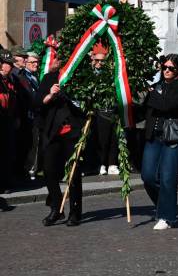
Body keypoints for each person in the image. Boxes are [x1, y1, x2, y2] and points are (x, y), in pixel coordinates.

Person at [34, 53, 87, 226]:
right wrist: (50, 95)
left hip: (72, 133)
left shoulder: (77, 80)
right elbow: (38, 103)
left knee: (73, 174)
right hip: (52, 133)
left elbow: (84, 105)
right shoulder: (49, 78)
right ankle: (56, 208)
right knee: (49, 171)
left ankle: (75, 212)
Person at [141, 54, 178, 230]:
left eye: (171, 68)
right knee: (147, 176)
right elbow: (145, 109)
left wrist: (152, 93)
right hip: (153, 136)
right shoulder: (156, 87)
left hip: (173, 136)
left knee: (168, 177)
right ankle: (163, 205)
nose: (167, 71)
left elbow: (168, 105)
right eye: (165, 67)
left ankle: (167, 216)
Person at [89, 46, 120, 175]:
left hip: (111, 110)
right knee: (102, 139)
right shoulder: (89, 74)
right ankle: (101, 163)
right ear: (92, 59)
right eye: (97, 60)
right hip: (99, 111)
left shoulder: (110, 74)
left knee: (114, 138)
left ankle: (112, 163)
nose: (99, 63)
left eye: (102, 61)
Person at [15, 51, 41, 181]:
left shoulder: (35, 77)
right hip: (27, 115)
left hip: (36, 115)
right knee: (28, 143)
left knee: (34, 143)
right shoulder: (22, 76)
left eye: (37, 62)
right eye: (32, 62)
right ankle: (27, 169)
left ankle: (32, 168)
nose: (35, 64)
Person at [0, 54, 18, 193]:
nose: (10, 67)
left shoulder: (10, 79)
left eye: (11, 65)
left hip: (8, 119)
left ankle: (6, 181)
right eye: (7, 64)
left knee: (8, 152)